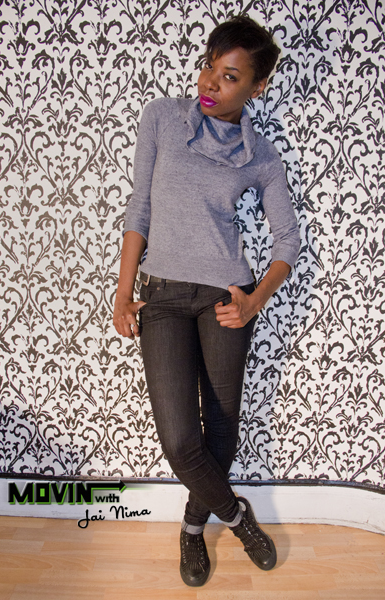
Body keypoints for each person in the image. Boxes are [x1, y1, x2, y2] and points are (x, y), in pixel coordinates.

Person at [113, 15, 300, 587]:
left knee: (222, 430)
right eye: (209, 67)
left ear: (257, 88)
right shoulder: (162, 118)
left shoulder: (260, 155)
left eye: (230, 76)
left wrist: (255, 301)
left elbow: (287, 241)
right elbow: (140, 208)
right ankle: (238, 517)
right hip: (163, 297)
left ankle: (193, 527)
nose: (211, 83)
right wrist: (123, 291)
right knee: (179, 439)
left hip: (225, 297)